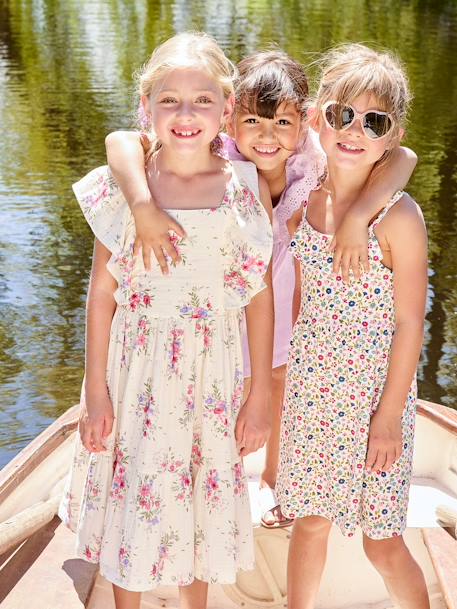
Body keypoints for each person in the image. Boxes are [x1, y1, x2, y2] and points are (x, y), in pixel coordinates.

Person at [104, 49, 417, 528]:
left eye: (282, 124)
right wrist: (143, 204)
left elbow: (403, 156)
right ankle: (210, 483)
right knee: (228, 381)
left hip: (295, 288)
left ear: (304, 122)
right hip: (234, 292)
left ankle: (279, 484)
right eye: (252, 120)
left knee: (281, 383)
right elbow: (123, 139)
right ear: (230, 119)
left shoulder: (314, 157)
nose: (267, 137)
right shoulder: (216, 153)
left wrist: (357, 214)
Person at [58, 31, 274, 609]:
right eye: (169, 100)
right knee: (134, 503)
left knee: (199, 503)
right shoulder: (123, 190)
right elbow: (101, 296)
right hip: (136, 375)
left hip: (211, 376)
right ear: (146, 108)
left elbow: (256, 295)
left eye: (203, 100)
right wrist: (96, 392)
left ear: (227, 110)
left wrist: (258, 396)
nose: (186, 114)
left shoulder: (242, 191)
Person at [277, 44, 429, 609]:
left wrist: (389, 416)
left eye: (374, 122)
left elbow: (412, 322)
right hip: (314, 393)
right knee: (309, 524)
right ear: (318, 114)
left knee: (381, 542)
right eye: (341, 114)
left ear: (391, 135)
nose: (354, 130)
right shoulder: (301, 198)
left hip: (374, 399)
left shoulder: (399, 217)